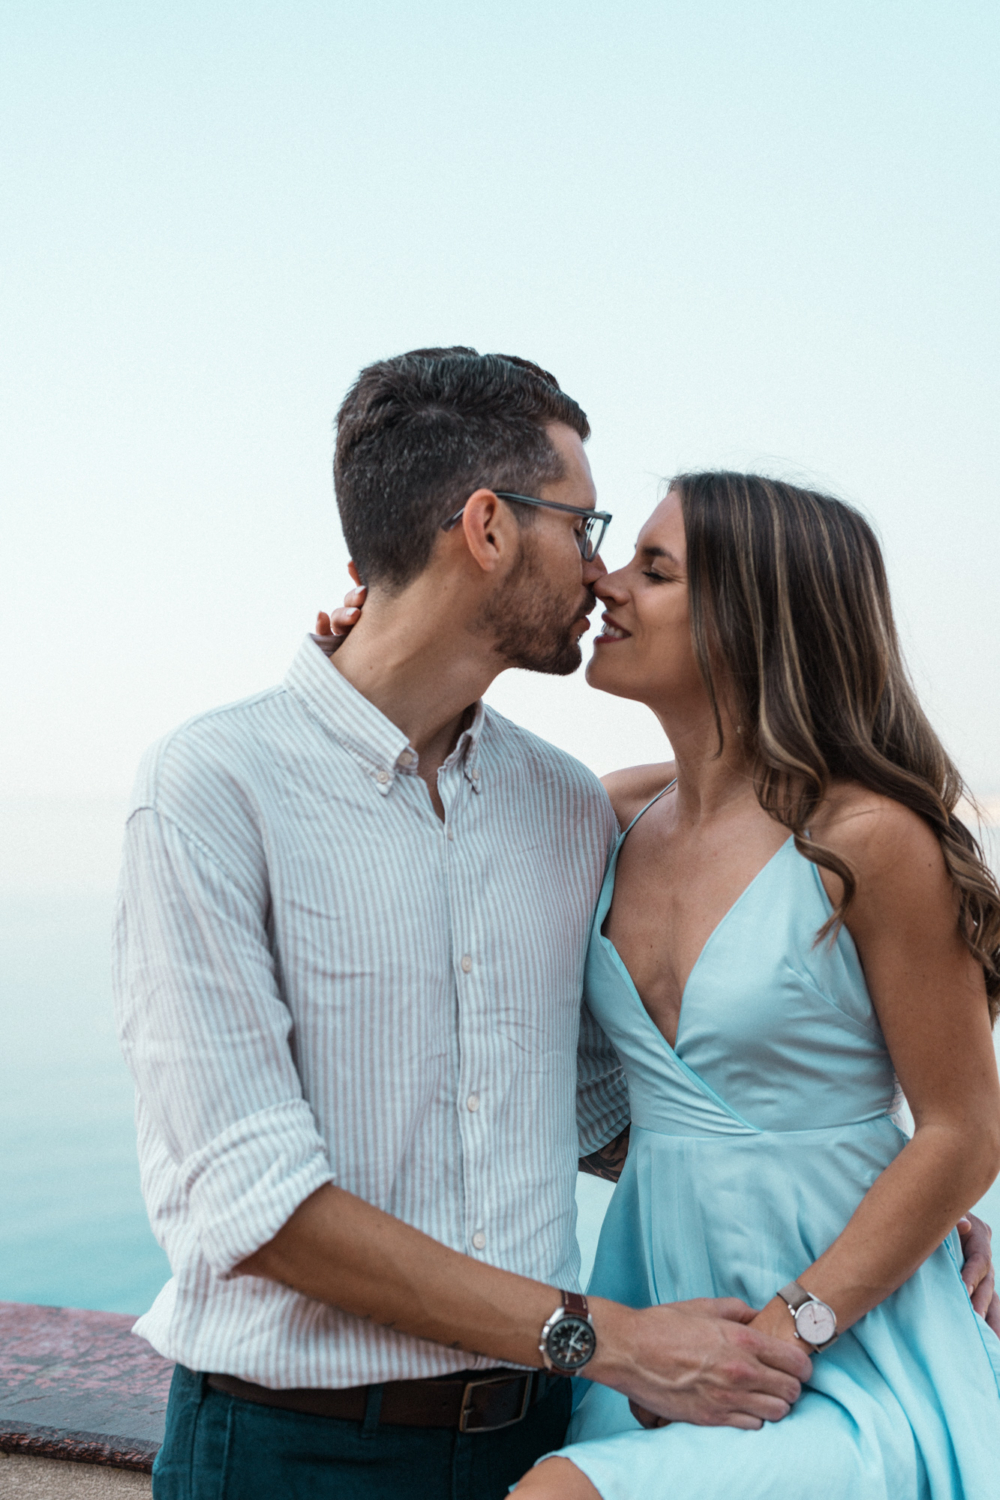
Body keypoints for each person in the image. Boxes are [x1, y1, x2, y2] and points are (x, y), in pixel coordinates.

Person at [114, 350, 821, 1500]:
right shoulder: (211, 788)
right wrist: (618, 1341)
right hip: (290, 1453)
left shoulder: (559, 805)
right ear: (486, 526)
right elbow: (258, 1211)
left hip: (536, 1442)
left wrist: (884, 1219)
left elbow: (601, 1112)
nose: (600, 576)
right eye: (583, 525)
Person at [500, 473, 1000, 1500]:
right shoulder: (607, 819)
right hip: (654, 1321)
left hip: (848, 1349)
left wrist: (792, 1321)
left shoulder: (866, 840)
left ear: (750, 618)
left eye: (654, 569)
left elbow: (963, 1129)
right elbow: (676, 1118)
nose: (604, 584)